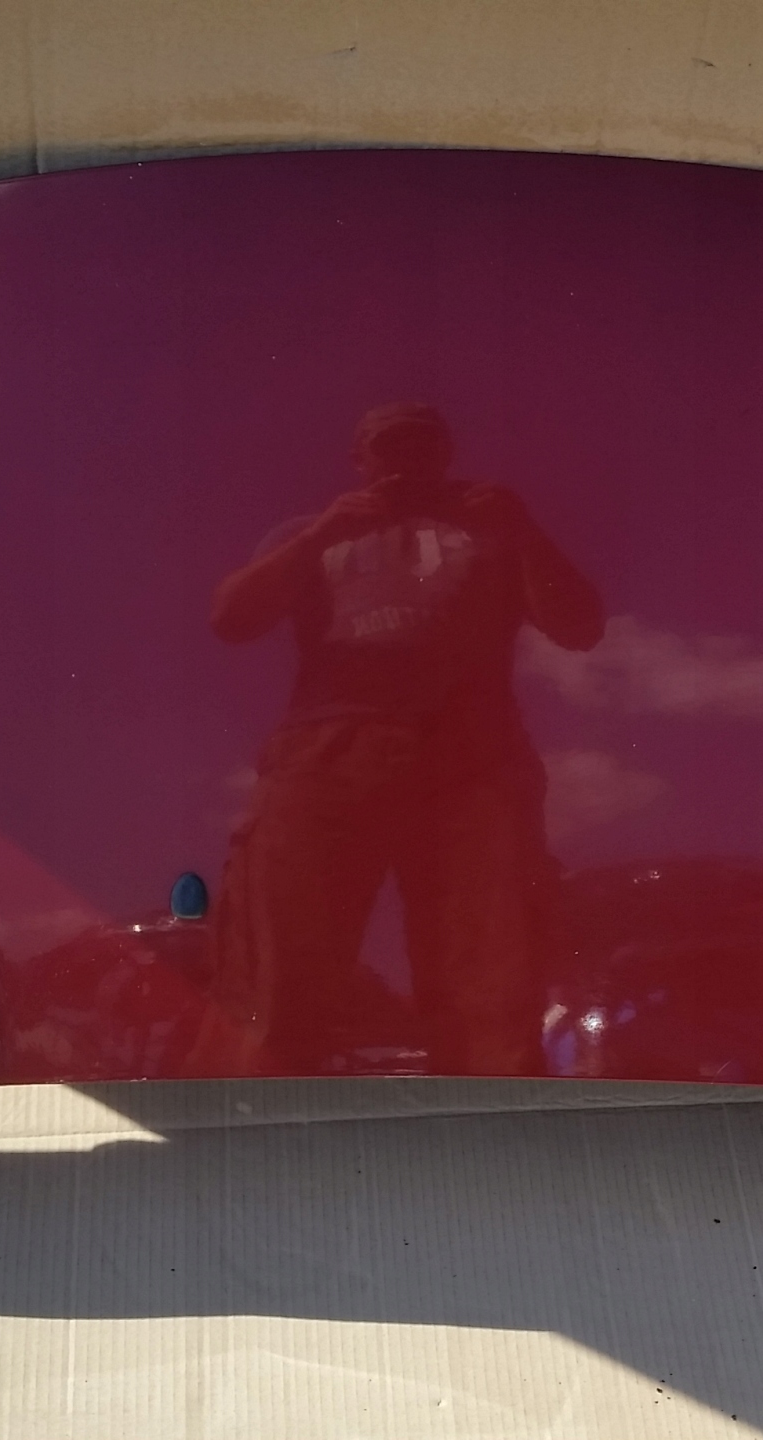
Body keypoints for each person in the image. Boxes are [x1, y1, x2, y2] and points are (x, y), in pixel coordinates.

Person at [198, 403, 604, 1075]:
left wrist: (521, 527)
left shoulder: (494, 526)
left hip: (471, 753)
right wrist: (323, 532)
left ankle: (489, 1124)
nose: (406, 461)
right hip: (326, 749)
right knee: (280, 964)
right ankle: (256, 1123)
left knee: (491, 972)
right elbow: (231, 618)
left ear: (445, 453)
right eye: (389, 448)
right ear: (360, 460)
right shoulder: (312, 531)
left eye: (422, 446)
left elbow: (580, 626)